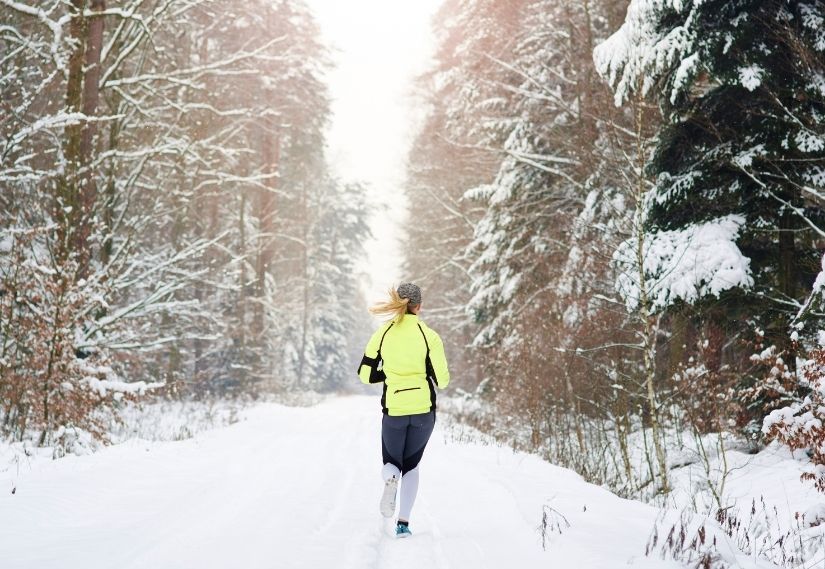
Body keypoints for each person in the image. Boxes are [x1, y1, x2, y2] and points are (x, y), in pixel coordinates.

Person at [357, 283, 450, 538]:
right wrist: (425, 372)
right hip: (423, 410)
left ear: (396, 303)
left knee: (392, 463)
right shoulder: (428, 334)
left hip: (394, 409)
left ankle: (390, 479)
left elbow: (365, 374)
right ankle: (403, 525)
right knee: (412, 466)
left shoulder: (383, 333)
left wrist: (387, 373)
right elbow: (443, 380)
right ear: (418, 306)